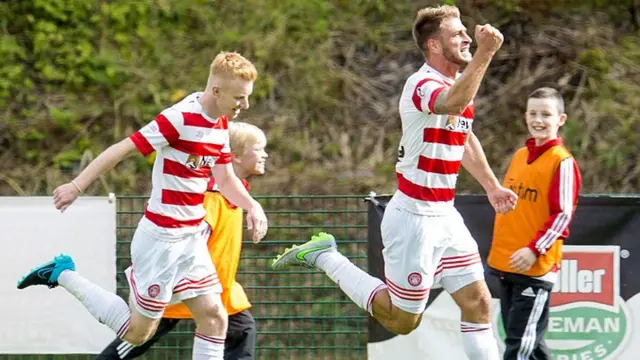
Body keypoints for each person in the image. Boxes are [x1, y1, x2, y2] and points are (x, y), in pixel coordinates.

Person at [271, 5, 517, 360]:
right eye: (457, 33)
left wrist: (492, 186)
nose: (466, 37)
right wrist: (486, 52)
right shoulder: (422, 84)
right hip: (414, 218)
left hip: (445, 215)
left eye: (466, 33)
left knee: (478, 302)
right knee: (403, 321)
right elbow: (453, 104)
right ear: (434, 45)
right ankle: (325, 256)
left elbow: (464, 134)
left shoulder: (456, 84)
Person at [16, 52, 268, 360]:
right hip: (161, 241)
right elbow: (121, 149)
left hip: (191, 240)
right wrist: (76, 185)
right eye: (240, 98)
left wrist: (253, 206)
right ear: (216, 91)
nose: (245, 105)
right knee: (137, 334)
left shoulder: (219, 124)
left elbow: (226, 180)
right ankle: (62, 273)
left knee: (215, 318)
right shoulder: (178, 118)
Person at [97, 121, 268, 360]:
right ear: (236, 156)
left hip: (222, 290)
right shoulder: (210, 197)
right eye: (259, 148)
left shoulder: (234, 194)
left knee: (243, 331)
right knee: (136, 340)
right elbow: (191, 236)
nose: (265, 154)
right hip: (186, 283)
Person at [487, 87, 582, 360]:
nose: (538, 120)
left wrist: (534, 249)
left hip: (535, 268)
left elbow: (562, 214)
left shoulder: (562, 162)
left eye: (546, 114)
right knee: (531, 346)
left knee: (519, 347)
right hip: (507, 264)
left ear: (560, 119)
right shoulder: (519, 156)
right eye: (533, 113)